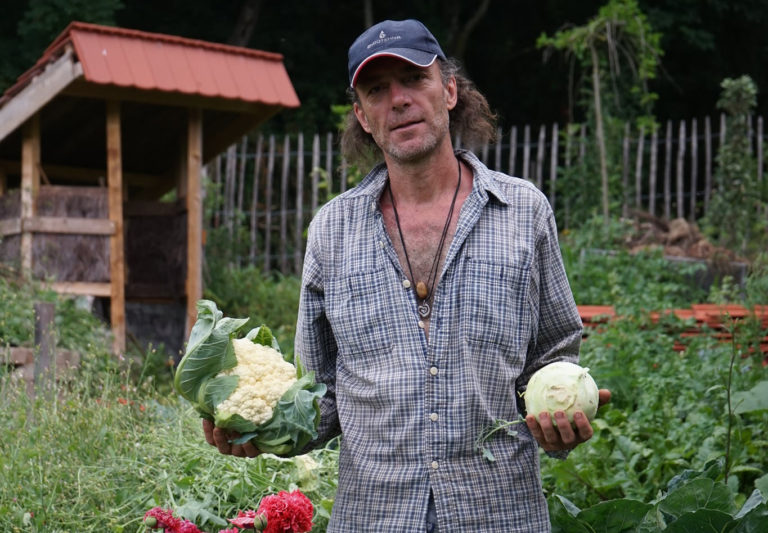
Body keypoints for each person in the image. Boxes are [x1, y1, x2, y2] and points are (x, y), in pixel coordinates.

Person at [204, 18, 610, 532]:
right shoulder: (332, 231)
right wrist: (256, 428)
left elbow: (556, 349)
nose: (398, 100)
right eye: (377, 89)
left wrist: (556, 419)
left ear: (449, 91)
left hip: (499, 513)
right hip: (373, 517)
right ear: (363, 117)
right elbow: (320, 394)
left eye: (414, 79)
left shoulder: (523, 212)